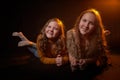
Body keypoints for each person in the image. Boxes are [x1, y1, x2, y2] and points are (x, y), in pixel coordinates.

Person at [66, 8, 111, 79]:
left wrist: (86, 61)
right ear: (79, 20)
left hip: (90, 69)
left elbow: (97, 57)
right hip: (73, 71)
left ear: (95, 27)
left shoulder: (98, 38)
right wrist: (72, 60)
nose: (86, 26)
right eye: (84, 20)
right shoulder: (70, 34)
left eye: (91, 23)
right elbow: (69, 51)